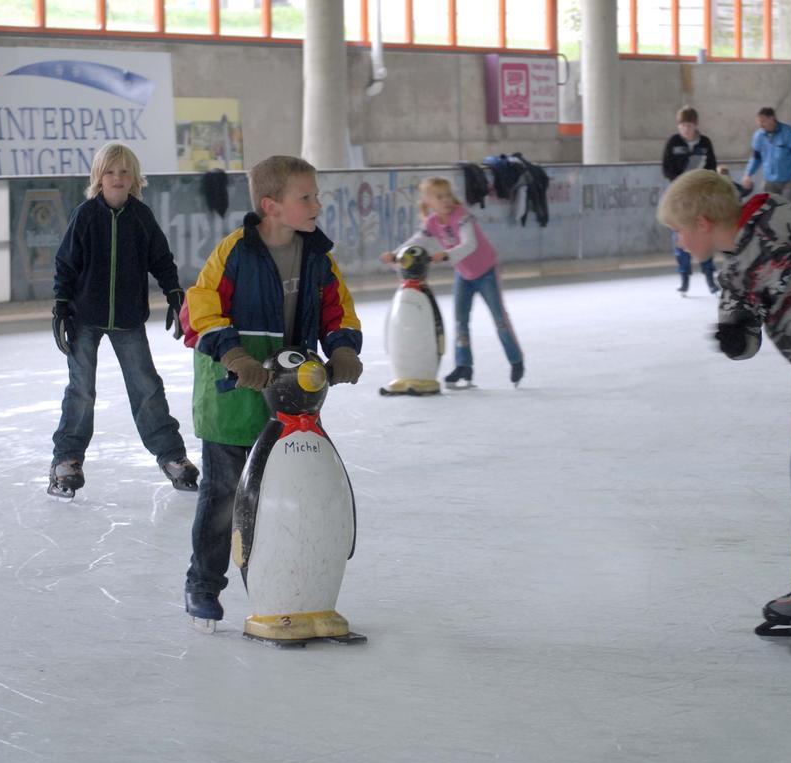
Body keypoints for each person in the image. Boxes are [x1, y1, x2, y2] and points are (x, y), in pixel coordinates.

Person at [181, 154, 363, 627]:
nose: (316, 204)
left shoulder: (318, 258)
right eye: (306, 197)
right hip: (232, 394)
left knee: (288, 492)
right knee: (223, 496)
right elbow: (198, 309)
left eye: (315, 195)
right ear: (272, 205)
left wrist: (342, 349)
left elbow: (337, 311)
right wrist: (235, 355)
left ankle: (289, 587)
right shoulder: (235, 251)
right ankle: (203, 584)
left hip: (289, 397)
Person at [657, 168, 791, 637]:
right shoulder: (732, 272)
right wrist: (734, 336)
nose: (678, 242)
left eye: (678, 232)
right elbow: (747, 346)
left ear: (702, 222)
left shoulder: (784, 216)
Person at [49, 141, 198, 500]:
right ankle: (66, 460)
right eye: (110, 172)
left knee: (146, 386)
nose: (118, 178)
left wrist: (174, 293)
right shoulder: (85, 215)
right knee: (81, 390)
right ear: (99, 178)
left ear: (134, 178)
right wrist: (61, 305)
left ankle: (172, 456)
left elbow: (161, 259)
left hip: (128, 318)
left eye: (124, 171)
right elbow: (65, 263)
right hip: (85, 317)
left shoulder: (141, 218)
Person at [383, 176, 523, 389]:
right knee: (460, 321)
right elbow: (416, 241)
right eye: (440, 197)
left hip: (486, 272)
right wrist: (395, 255)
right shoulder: (431, 223)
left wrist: (446, 254)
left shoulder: (463, 217)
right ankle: (464, 365)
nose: (447, 200)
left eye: (448, 195)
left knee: (499, 318)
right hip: (464, 275)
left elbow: (470, 244)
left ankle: (515, 360)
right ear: (429, 201)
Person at [661, 106, 719, 296]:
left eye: (689, 125)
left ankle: (710, 277)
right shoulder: (673, 142)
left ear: (695, 125)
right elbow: (666, 168)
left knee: (704, 234)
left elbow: (712, 166)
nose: (685, 129)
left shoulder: (705, 143)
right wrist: (680, 181)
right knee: (681, 236)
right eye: (682, 126)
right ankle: (684, 277)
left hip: (700, 195)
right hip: (679, 196)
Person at [742, 107, 791, 199]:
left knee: (788, 210)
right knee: (768, 209)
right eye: (758, 121)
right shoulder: (759, 136)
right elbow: (756, 158)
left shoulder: (788, 132)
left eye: (763, 121)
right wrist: (748, 174)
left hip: (789, 181)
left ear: (772, 118)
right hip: (769, 181)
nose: (760, 124)